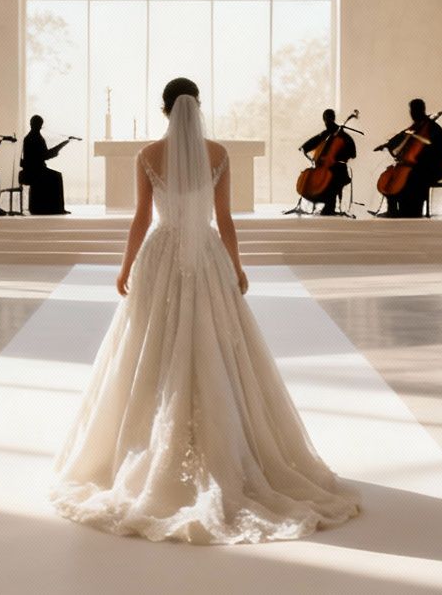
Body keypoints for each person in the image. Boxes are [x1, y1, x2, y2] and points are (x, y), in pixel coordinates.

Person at [52, 77, 360, 544]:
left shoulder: (149, 156)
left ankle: (148, 449)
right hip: (208, 257)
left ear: (164, 109)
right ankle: (230, 451)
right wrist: (236, 266)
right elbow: (224, 218)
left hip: (160, 256)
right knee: (216, 346)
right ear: (198, 107)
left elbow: (141, 216)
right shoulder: (217, 154)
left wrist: (125, 265)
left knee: (150, 347)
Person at [376, 98, 442, 218]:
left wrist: (418, 158)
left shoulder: (434, 129)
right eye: (411, 111)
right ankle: (392, 209)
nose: (412, 114)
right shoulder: (415, 127)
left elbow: (438, 151)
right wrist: (388, 144)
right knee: (393, 177)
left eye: (415, 111)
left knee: (412, 177)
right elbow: (401, 136)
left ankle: (409, 209)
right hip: (412, 167)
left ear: (421, 110)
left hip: (428, 169)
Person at [293, 108, 356, 216]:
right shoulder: (325, 134)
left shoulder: (344, 136)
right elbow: (314, 141)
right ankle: (321, 204)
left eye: (329, 119)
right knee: (313, 178)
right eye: (326, 120)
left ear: (333, 119)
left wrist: (336, 157)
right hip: (323, 167)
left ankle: (329, 207)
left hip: (338, 168)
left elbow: (353, 154)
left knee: (333, 177)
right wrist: (304, 147)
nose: (327, 122)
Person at [19, 115, 70, 215]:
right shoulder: (36, 138)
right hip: (35, 170)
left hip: (32, 169)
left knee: (54, 175)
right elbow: (46, 155)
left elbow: (43, 155)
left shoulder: (31, 137)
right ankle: (57, 208)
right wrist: (62, 145)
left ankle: (44, 207)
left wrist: (62, 144)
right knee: (57, 176)